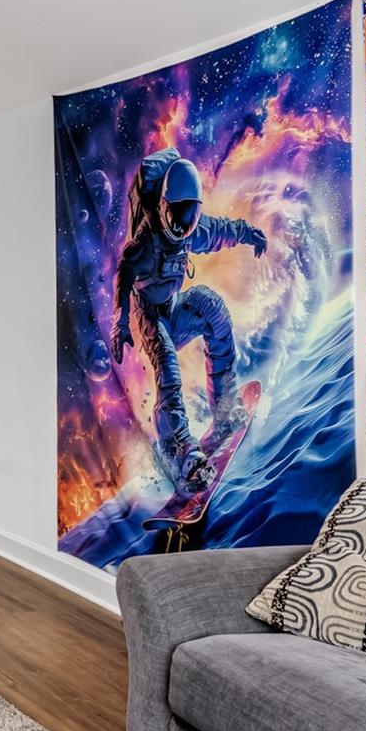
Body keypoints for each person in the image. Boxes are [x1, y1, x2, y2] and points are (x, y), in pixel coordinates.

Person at [109, 150, 267, 490]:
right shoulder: (145, 244)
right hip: (150, 318)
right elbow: (123, 275)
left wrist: (249, 233)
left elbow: (222, 230)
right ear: (163, 205)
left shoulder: (192, 230)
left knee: (212, 307)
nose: (182, 224)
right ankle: (179, 450)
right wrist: (120, 322)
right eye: (177, 214)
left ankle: (225, 408)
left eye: (190, 215)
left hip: (174, 308)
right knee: (168, 364)